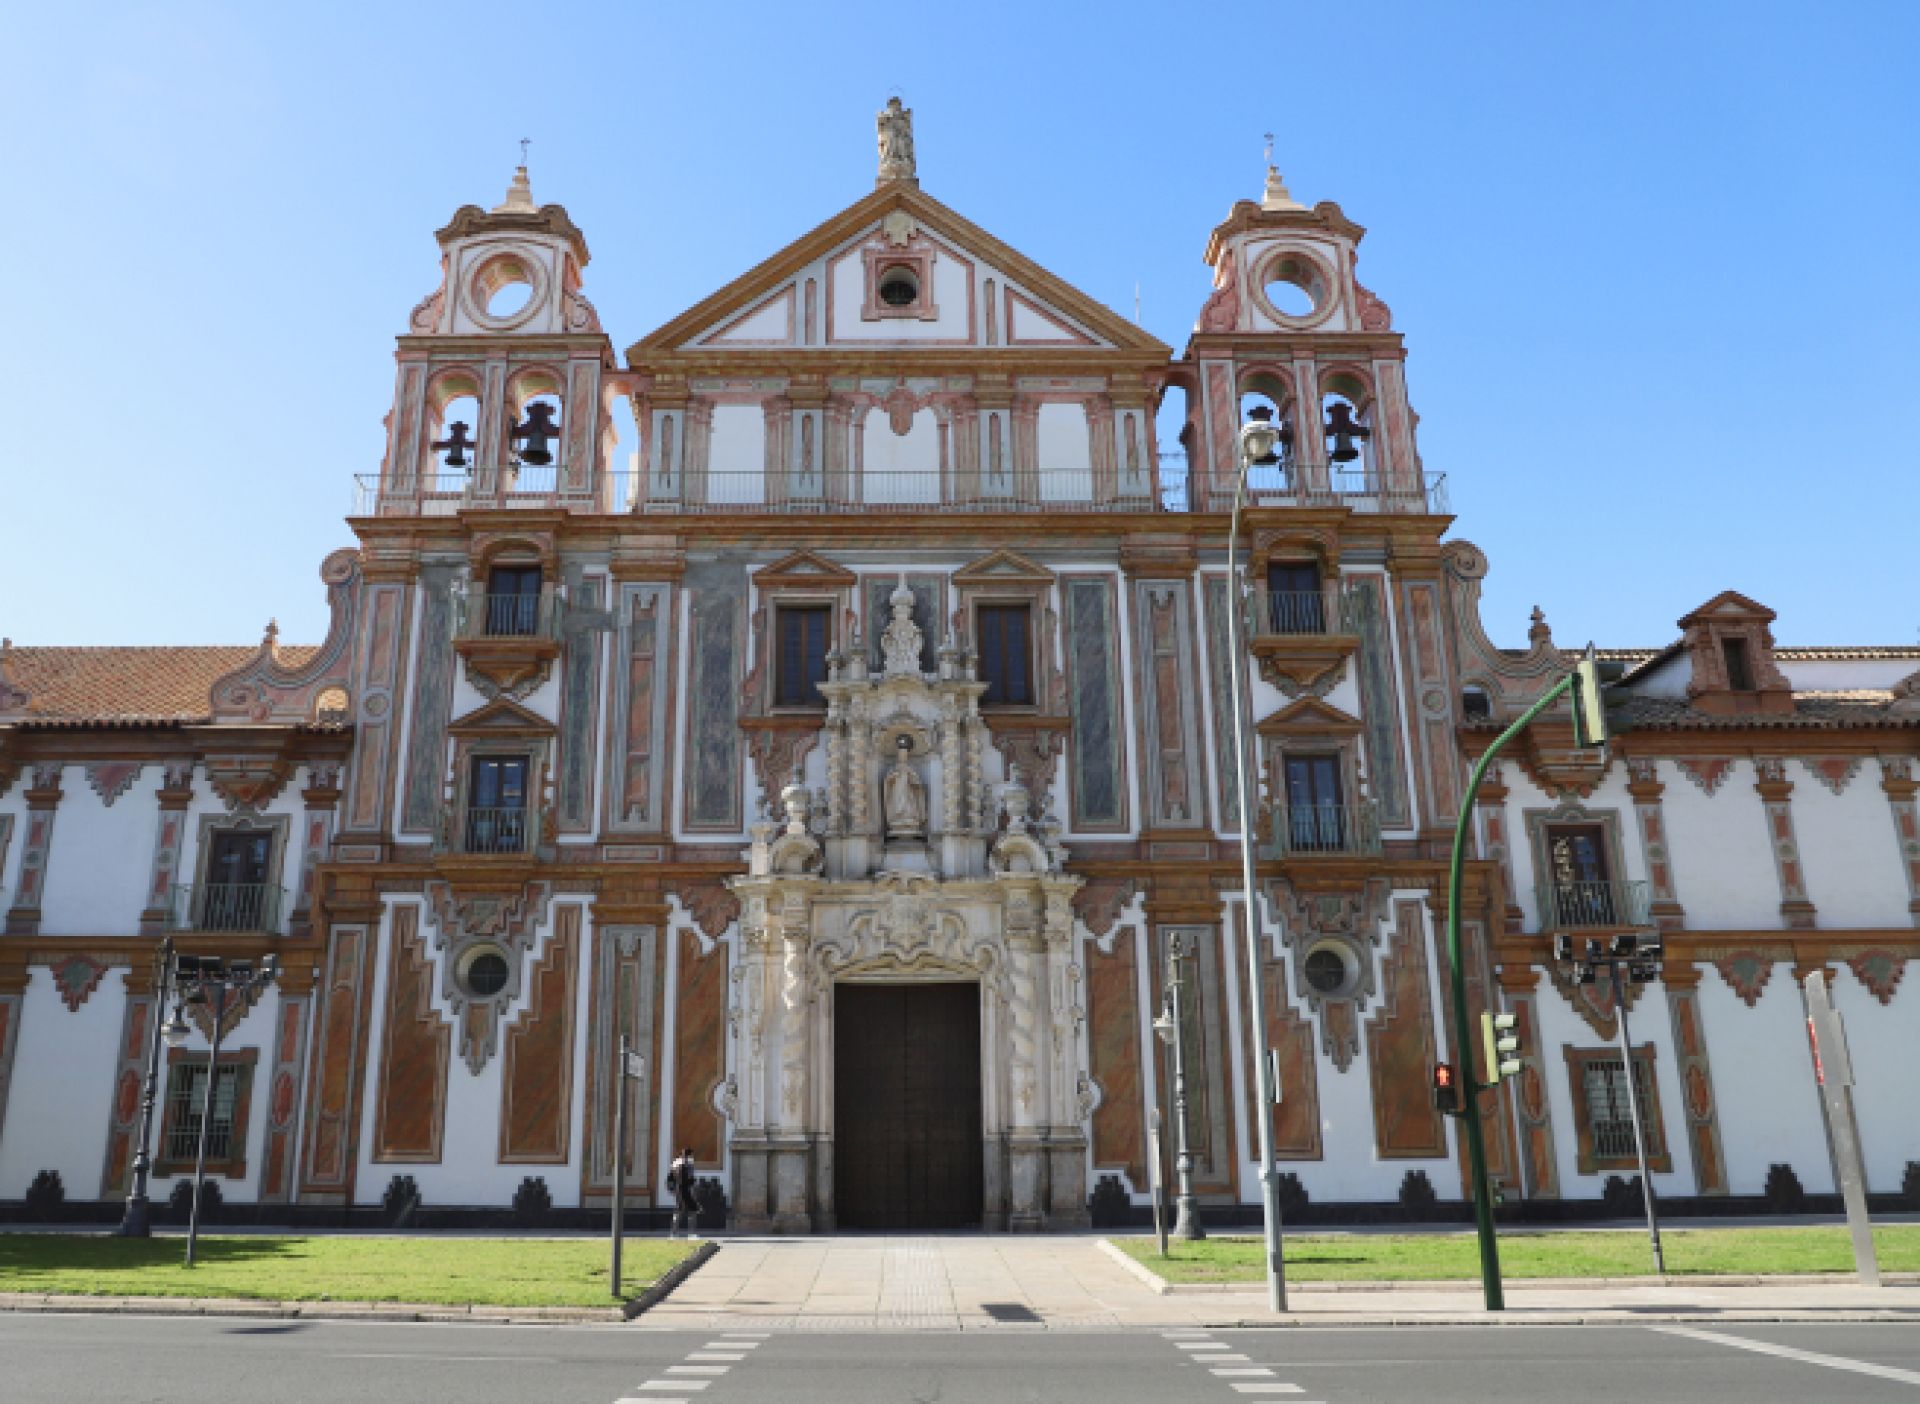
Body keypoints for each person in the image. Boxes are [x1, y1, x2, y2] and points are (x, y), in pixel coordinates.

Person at [668, 1146, 699, 1238]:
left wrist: (672, 1189)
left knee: (678, 1210)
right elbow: (690, 1178)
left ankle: (674, 1233)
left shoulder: (675, 1163)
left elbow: (671, 1178)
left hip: (679, 1190)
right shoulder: (688, 1164)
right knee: (691, 1211)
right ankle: (691, 1233)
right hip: (686, 1189)